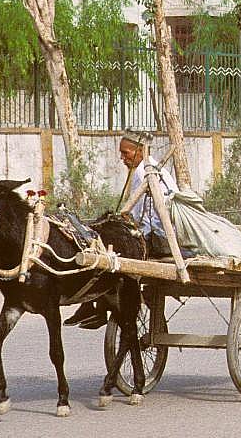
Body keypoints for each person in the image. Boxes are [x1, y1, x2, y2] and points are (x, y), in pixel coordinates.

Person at [64, 129, 181, 329]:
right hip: (159, 231)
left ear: (139, 151)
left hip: (157, 236)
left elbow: (141, 216)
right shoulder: (153, 169)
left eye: (126, 153)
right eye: (121, 153)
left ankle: (95, 306)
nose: (122, 158)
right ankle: (92, 305)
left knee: (102, 245)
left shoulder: (144, 173)